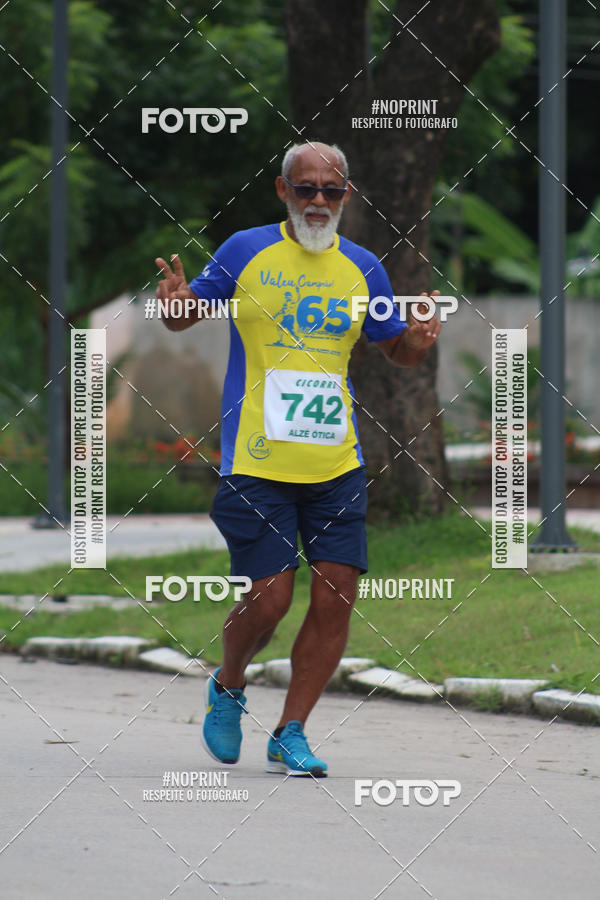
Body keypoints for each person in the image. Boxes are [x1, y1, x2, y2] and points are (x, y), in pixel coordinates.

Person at [155, 141, 441, 777]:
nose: (318, 201)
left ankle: (291, 731)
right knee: (270, 601)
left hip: (336, 464)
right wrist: (175, 307)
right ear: (283, 192)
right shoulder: (244, 251)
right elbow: (186, 314)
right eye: (306, 189)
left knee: (337, 597)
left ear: (347, 197)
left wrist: (417, 343)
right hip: (255, 462)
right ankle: (228, 685)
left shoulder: (364, 268)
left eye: (331, 192)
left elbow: (395, 350)